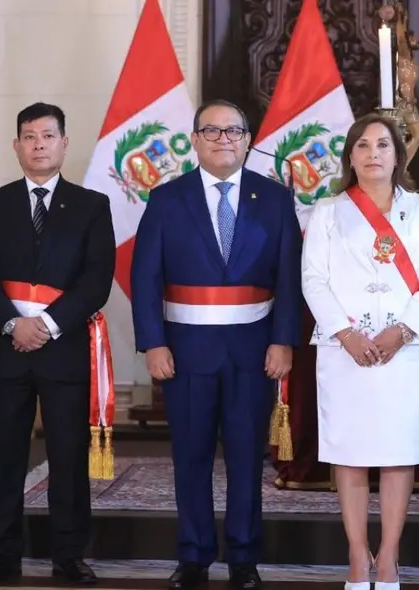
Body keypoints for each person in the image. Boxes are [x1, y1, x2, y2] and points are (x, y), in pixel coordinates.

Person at [131, 99, 302, 590]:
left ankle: (244, 558)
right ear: (195, 140)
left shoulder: (274, 199)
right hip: (184, 352)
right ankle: (193, 556)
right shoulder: (167, 199)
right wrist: (153, 344)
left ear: (248, 140)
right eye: (213, 131)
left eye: (234, 131)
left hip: (254, 350)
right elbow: (145, 278)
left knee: (248, 458)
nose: (224, 139)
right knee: (191, 456)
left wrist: (283, 340)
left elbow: (288, 278)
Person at [0, 102, 115, 585]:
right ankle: (3, 554)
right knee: (4, 458)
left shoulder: (93, 206)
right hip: (4, 350)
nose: (38, 145)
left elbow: (97, 281)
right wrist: (15, 325)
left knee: (68, 458)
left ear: (64, 143)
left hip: (63, 350)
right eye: (29, 137)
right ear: (16, 146)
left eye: (47, 136)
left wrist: (48, 326)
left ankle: (68, 556)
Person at [301, 113, 419, 590]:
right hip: (344, 350)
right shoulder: (328, 211)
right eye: (362, 146)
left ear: (397, 155)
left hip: (402, 351)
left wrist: (401, 331)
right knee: (349, 453)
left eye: (383, 145)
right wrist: (347, 334)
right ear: (350, 157)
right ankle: (357, 555)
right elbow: (314, 280)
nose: (372, 154)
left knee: (397, 452)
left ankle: (388, 556)